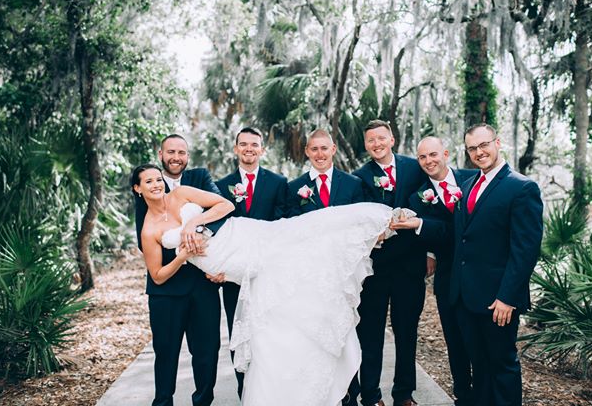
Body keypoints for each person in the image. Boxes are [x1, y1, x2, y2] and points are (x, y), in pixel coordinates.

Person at [131, 164, 400, 406]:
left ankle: (374, 227)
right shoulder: (148, 229)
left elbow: (225, 205)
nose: (156, 185)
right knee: (271, 328)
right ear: (138, 189)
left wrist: (193, 223)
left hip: (243, 237)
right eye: (149, 181)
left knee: (300, 236)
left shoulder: (181, 194)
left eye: (158, 179)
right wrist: (182, 256)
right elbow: (158, 275)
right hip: (233, 268)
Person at [451, 124, 542, 406]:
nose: (479, 152)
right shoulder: (467, 186)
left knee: (502, 366)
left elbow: (525, 250)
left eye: (484, 145)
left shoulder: (522, 187)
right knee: (479, 365)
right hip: (467, 297)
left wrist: (507, 297)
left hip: (498, 300)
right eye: (472, 148)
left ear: (497, 143)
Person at [133, 134, 223, 406]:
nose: (176, 157)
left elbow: (222, 211)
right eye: (170, 152)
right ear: (161, 155)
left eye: (181, 152)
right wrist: (181, 253)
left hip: (203, 283)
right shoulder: (145, 196)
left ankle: (203, 402)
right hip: (167, 290)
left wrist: (197, 232)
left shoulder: (197, 179)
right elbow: (145, 243)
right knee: (166, 354)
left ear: (187, 155)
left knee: (207, 351)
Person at [391, 136, 476, 406]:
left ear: (446, 154)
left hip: (480, 274)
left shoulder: (473, 180)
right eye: (422, 157)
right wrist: (422, 230)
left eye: (433, 154)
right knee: (455, 341)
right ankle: (463, 396)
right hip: (448, 276)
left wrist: (423, 226)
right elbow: (438, 235)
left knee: (481, 343)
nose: (429, 161)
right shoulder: (417, 198)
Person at [352, 120, 426, 406]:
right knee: (370, 334)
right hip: (376, 269)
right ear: (366, 145)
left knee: (407, 333)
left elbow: (430, 208)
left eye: (381, 138)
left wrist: (431, 253)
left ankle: (404, 394)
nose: (377, 144)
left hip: (410, 266)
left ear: (392, 139)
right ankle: (371, 395)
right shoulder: (360, 178)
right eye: (371, 140)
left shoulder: (415, 168)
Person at [214, 126, 288, 398]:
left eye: (254, 144)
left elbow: (283, 225)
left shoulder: (278, 183)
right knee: (239, 333)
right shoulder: (220, 185)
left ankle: (270, 392)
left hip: (268, 273)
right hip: (234, 276)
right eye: (243, 144)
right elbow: (217, 229)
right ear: (236, 149)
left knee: (269, 333)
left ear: (262, 149)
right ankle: (244, 393)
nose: (249, 149)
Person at [287, 129, 364, 217]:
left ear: (333, 149)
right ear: (307, 151)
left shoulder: (353, 184)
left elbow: (359, 220)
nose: (320, 154)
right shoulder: (293, 188)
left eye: (324, 148)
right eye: (314, 149)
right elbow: (294, 223)